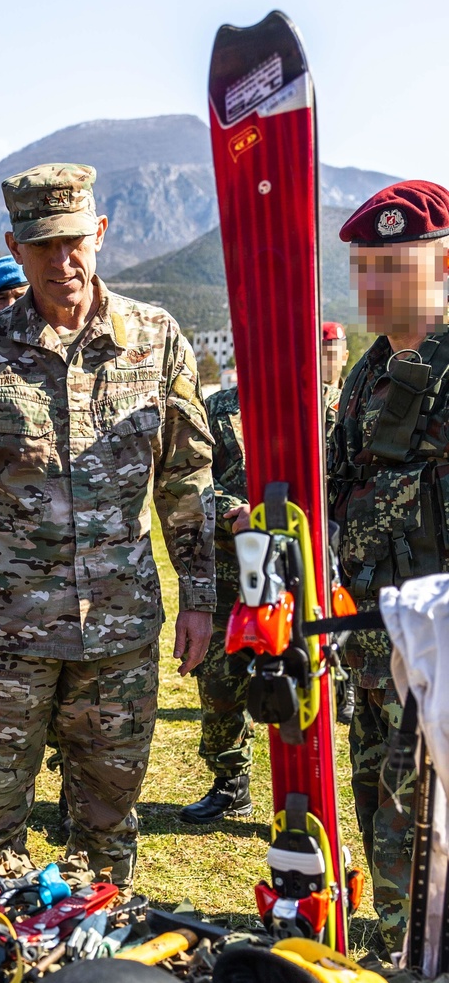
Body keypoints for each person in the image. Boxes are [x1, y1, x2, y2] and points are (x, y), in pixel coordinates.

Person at [0, 163, 214, 879]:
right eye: (43, 245)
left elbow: (187, 478)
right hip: (5, 636)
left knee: (108, 833)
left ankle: (101, 971)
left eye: (75, 240)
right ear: (16, 246)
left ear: (100, 234)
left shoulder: (157, 340)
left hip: (119, 634)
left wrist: (200, 601)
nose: (62, 260)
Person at [329, 180, 449, 953]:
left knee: (430, 831)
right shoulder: (365, 375)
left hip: (437, 658)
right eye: (364, 267)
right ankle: (406, 950)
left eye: (393, 266)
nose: (373, 286)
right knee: (380, 813)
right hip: (374, 653)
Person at [180, 318, 350, 825]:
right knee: (220, 679)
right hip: (234, 565)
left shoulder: (325, 409)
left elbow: (340, 479)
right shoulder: (219, 407)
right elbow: (196, 476)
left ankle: (309, 798)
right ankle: (230, 782)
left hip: (303, 570)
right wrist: (236, 510)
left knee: (305, 677)